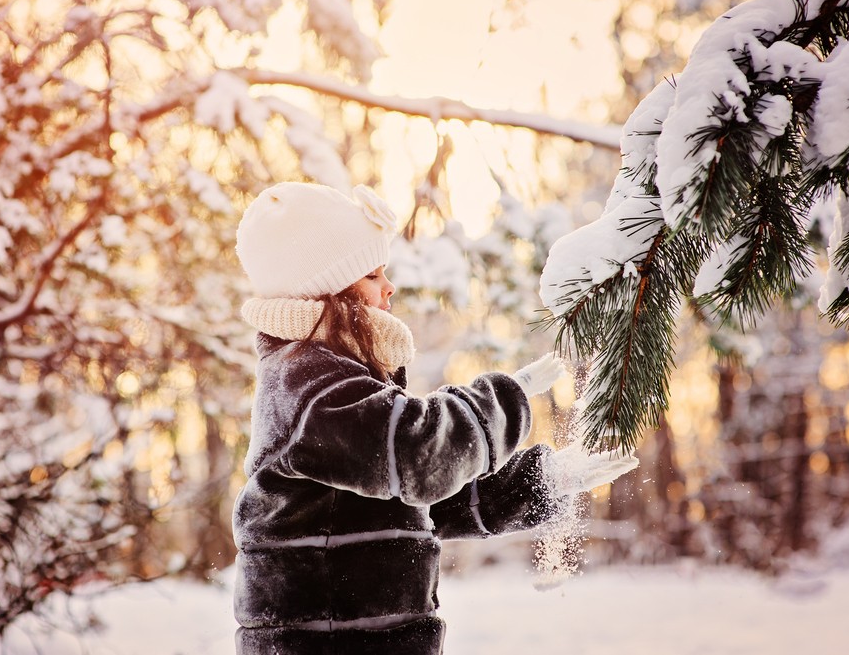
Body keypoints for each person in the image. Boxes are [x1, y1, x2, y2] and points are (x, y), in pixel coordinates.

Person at [232, 181, 638, 654]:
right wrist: (506, 398)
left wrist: (542, 478)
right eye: (371, 275)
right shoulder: (309, 386)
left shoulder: (330, 379)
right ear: (330, 292)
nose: (389, 288)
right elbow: (419, 457)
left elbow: (417, 501)